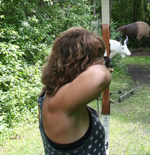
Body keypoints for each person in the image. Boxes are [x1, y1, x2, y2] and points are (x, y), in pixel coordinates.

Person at [38, 27, 112, 155]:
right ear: (79, 63)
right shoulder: (59, 103)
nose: (100, 63)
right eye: (97, 59)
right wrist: (102, 67)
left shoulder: (49, 93)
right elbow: (100, 76)